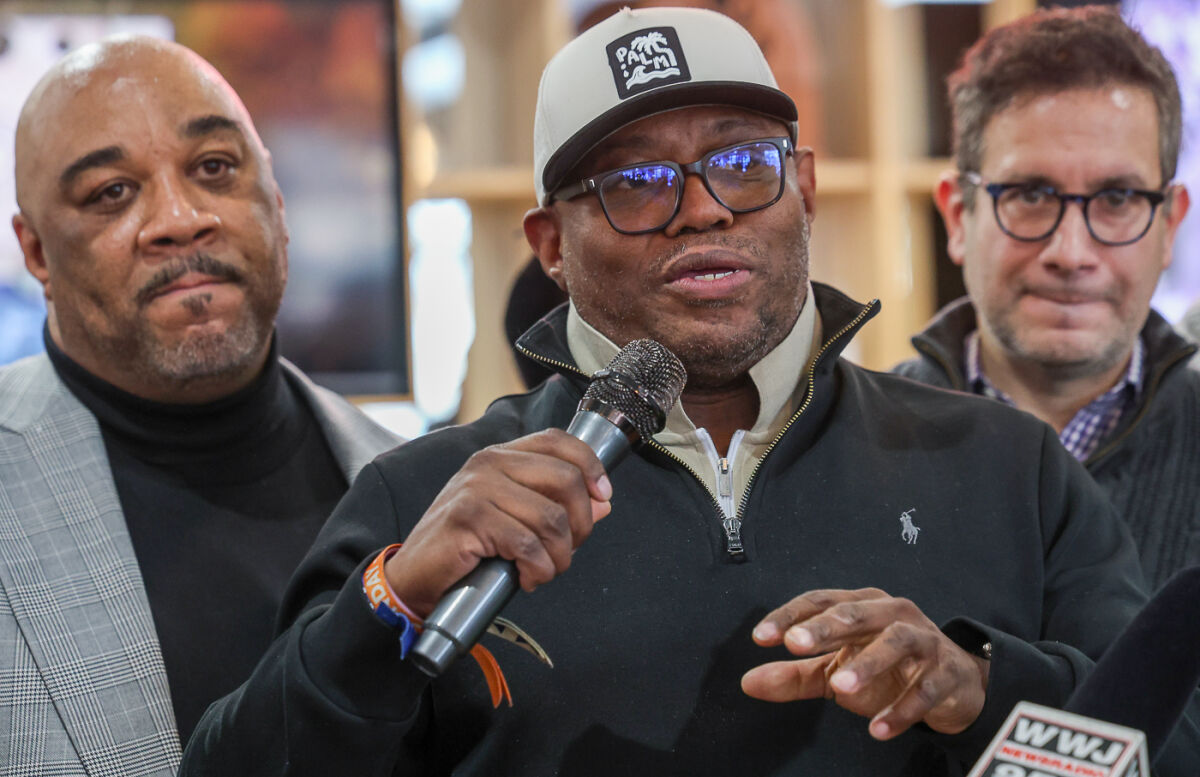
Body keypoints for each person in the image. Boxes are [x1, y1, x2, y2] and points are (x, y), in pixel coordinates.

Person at [182, 8, 1197, 776]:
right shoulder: (426, 503)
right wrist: (390, 603)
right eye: (634, 182)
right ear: (551, 245)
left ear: (804, 187)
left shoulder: (1008, 468)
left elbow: (1167, 744)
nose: (703, 209)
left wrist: (977, 687)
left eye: (743, 161)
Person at [0, 36, 400, 776]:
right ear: (37, 254)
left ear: (276, 199)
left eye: (214, 168)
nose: (180, 219)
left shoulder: (410, 481)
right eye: (111, 192)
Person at [893, 6, 1200, 590]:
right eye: (1031, 194)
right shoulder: (840, 451)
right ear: (958, 217)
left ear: (1169, 226)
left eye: (1117, 198)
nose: (1071, 252)